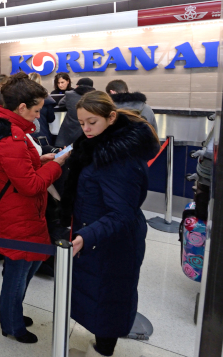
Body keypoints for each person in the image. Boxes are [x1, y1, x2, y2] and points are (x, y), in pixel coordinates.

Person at [0, 72, 68, 344]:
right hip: (18, 215)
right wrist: (55, 165)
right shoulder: (10, 139)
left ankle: (9, 310)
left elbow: (19, 170)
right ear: (21, 108)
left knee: (29, 264)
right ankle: (11, 324)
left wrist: (41, 160)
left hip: (19, 212)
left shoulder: (3, 128)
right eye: (36, 110)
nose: (38, 116)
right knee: (18, 272)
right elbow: (31, 186)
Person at [64, 91, 159, 357]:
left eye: (91, 122)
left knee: (109, 301)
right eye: (81, 123)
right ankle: (101, 346)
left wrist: (87, 235)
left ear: (111, 117)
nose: (86, 129)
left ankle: (103, 351)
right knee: (99, 297)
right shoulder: (98, 145)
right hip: (99, 235)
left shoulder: (117, 157)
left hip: (113, 241)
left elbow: (123, 213)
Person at [56, 78, 95, 148]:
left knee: (65, 153)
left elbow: (61, 103)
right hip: (88, 130)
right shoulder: (95, 96)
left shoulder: (70, 94)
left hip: (70, 130)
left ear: (78, 86)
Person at [28, 73, 57, 143]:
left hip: (28, 135)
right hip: (43, 136)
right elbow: (51, 118)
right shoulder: (47, 99)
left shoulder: (22, 98)